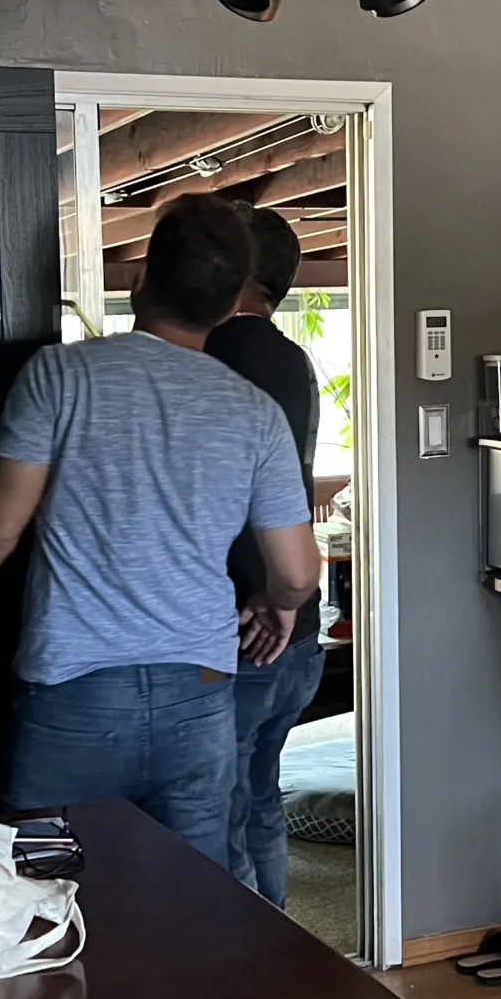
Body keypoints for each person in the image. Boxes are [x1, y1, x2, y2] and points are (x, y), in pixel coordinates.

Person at [0, 193, 321, 865]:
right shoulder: (254, 411)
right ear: (234, 298)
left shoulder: (62, 376)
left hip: (71, 697)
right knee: (194, 907)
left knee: (39, 902)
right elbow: (295, 572)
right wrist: (280, 605)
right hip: (200, 696)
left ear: (141, 277)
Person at [206, 203, 324, 907]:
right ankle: (276, 950)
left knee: (222, 817)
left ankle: (246, 968)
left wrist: (268, 598)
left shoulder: (216, 356)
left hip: (246, 631)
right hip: (298, 630)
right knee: (260, 801)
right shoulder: (294, 360)